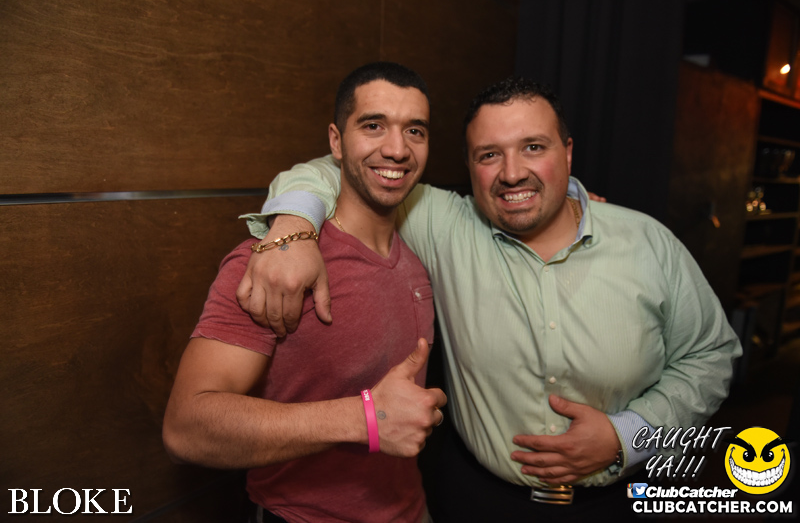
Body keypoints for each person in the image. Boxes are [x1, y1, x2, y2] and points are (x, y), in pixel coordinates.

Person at [236, 76, 742, 521]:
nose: (512, 173)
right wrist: (294, 226)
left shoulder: (647, 241)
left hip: (619, 502)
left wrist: (627, 435)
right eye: (489, 155)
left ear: (567, 152)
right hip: (476, 502)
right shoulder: (443, 223)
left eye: (533, 147)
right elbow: (347, 167)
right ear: (469, 165)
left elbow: (711, 356)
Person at [162, 62, 447, 523]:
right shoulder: (276, 264)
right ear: (336, 141)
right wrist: (365, 419)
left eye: (415, 131)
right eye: (373, 126)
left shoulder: (416, 256)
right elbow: (186, 429)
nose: (397, 149)